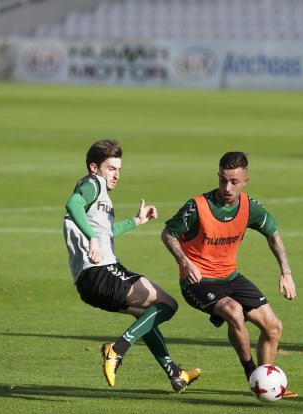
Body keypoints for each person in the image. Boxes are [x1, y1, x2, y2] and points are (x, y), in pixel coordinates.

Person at [63, 139, 200, 391]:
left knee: (144, 317)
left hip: (89, 283)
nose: (116, 175)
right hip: (101, 272)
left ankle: (175, 374)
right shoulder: (92, 183)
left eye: (119, 170)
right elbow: (73, 204)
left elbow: (105, 232)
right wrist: (92, 239)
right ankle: (116, 351)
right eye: (111, 168)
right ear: (94, 167)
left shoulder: (98, 192)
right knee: (167, 305)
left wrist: (136, 221)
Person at [161, 151, 298, 397]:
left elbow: (273, 235)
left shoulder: (249, 207)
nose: (227, 187)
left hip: (230, 277)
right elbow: (168, 234)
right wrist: (184, 261)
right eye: (223, 180)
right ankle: (251, 374)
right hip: (198, 280)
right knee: (234, 311)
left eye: (234, 182)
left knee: (273, 327)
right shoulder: (197, 206)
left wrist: (285, 272)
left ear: (245, 181)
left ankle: (266, 385)